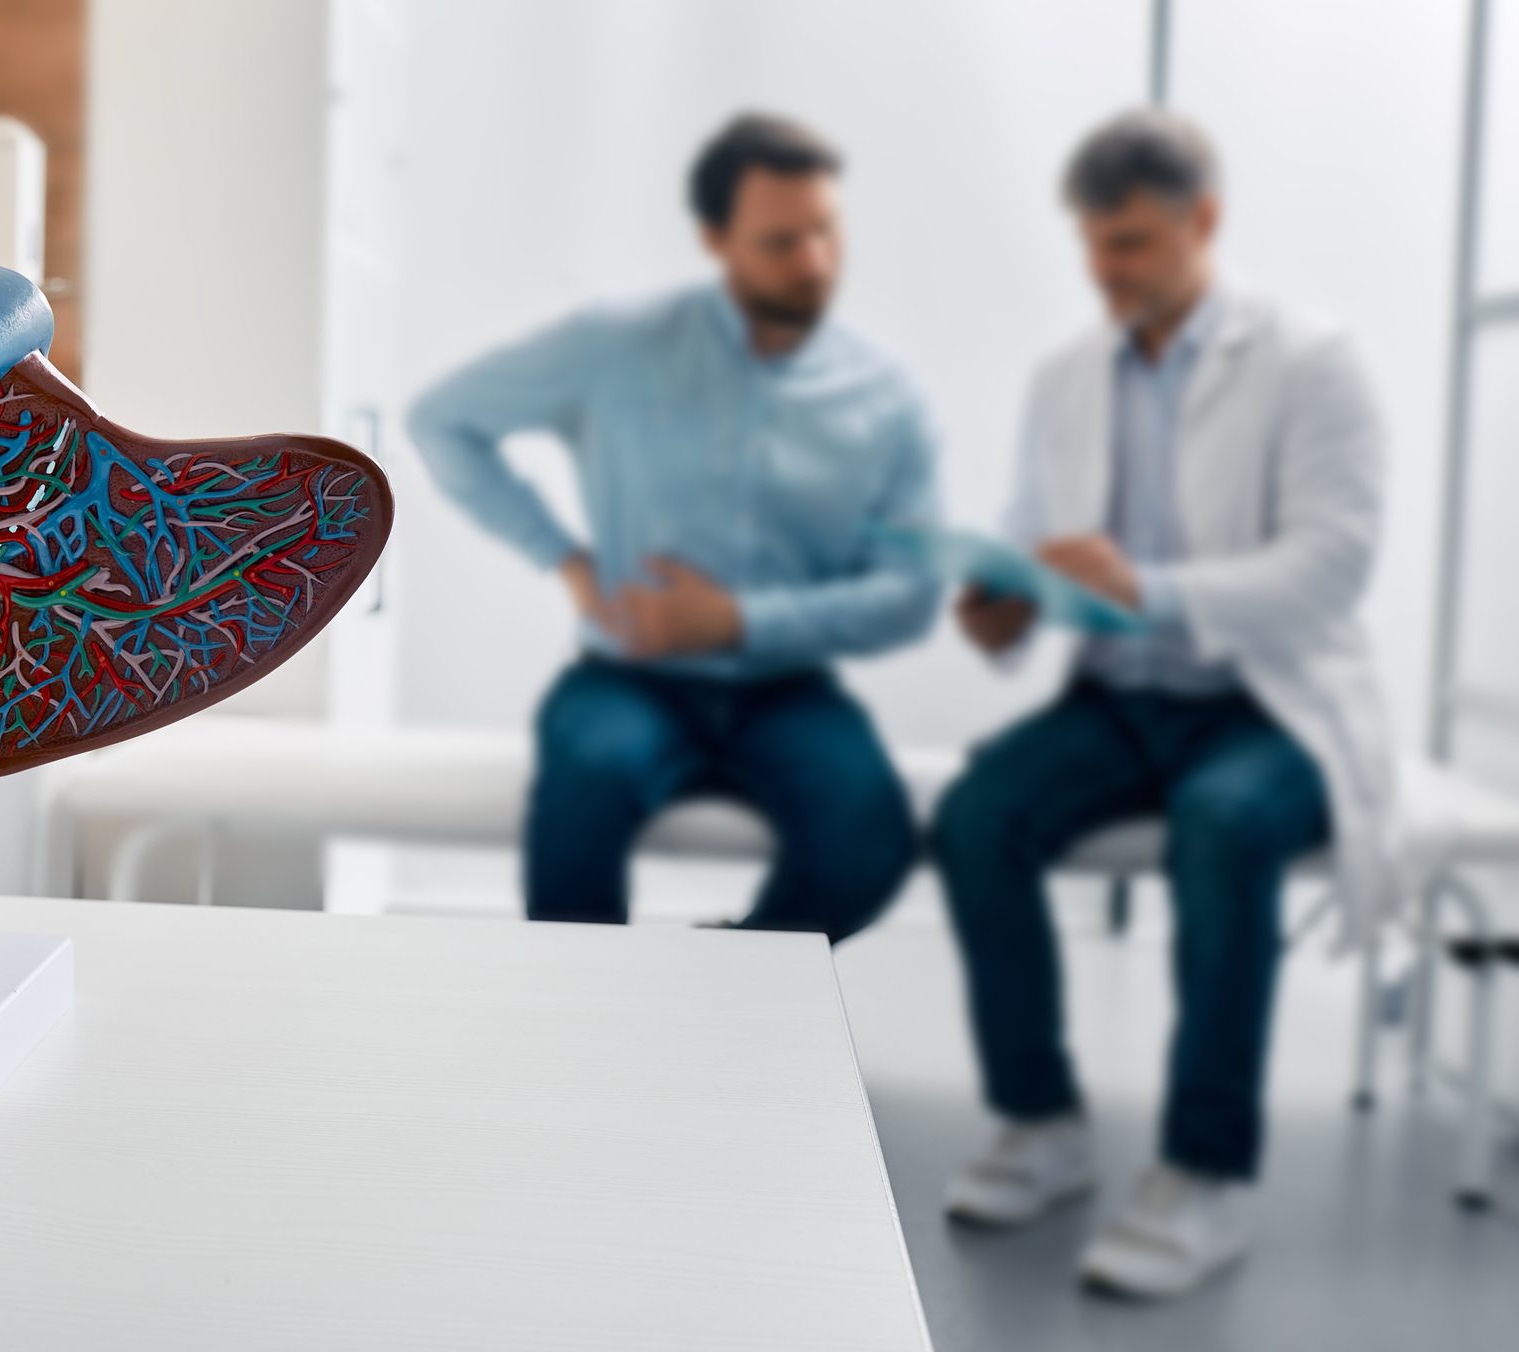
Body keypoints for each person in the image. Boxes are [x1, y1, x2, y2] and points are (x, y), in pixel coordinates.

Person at [932, 109, 1396, 1299]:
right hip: (1116, 698)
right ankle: (1041, 1120)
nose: (1107, 271)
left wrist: (1152, 586)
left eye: (1132, 243)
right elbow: (1042, 535)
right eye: (1093, 245)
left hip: (1269, 704)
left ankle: (1205, 1167)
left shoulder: (1312, 360)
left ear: (1206, 221)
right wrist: (1009, 605)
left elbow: (1331, 565)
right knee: (977, 812)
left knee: (1225, 823)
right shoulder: (1064, 374)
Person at [407, 113, 941, 938]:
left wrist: (737, 620)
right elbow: (444, 420)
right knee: (585, 782)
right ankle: (587, 1038)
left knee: (868, 840)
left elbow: (912, 594)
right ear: (715, 239)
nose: (814, 264)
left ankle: (713, 996)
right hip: (631, 678)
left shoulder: (886, 395)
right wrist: (563, 557)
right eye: (780, 242)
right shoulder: (616, 344)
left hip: (789, 690)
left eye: (826, 232)